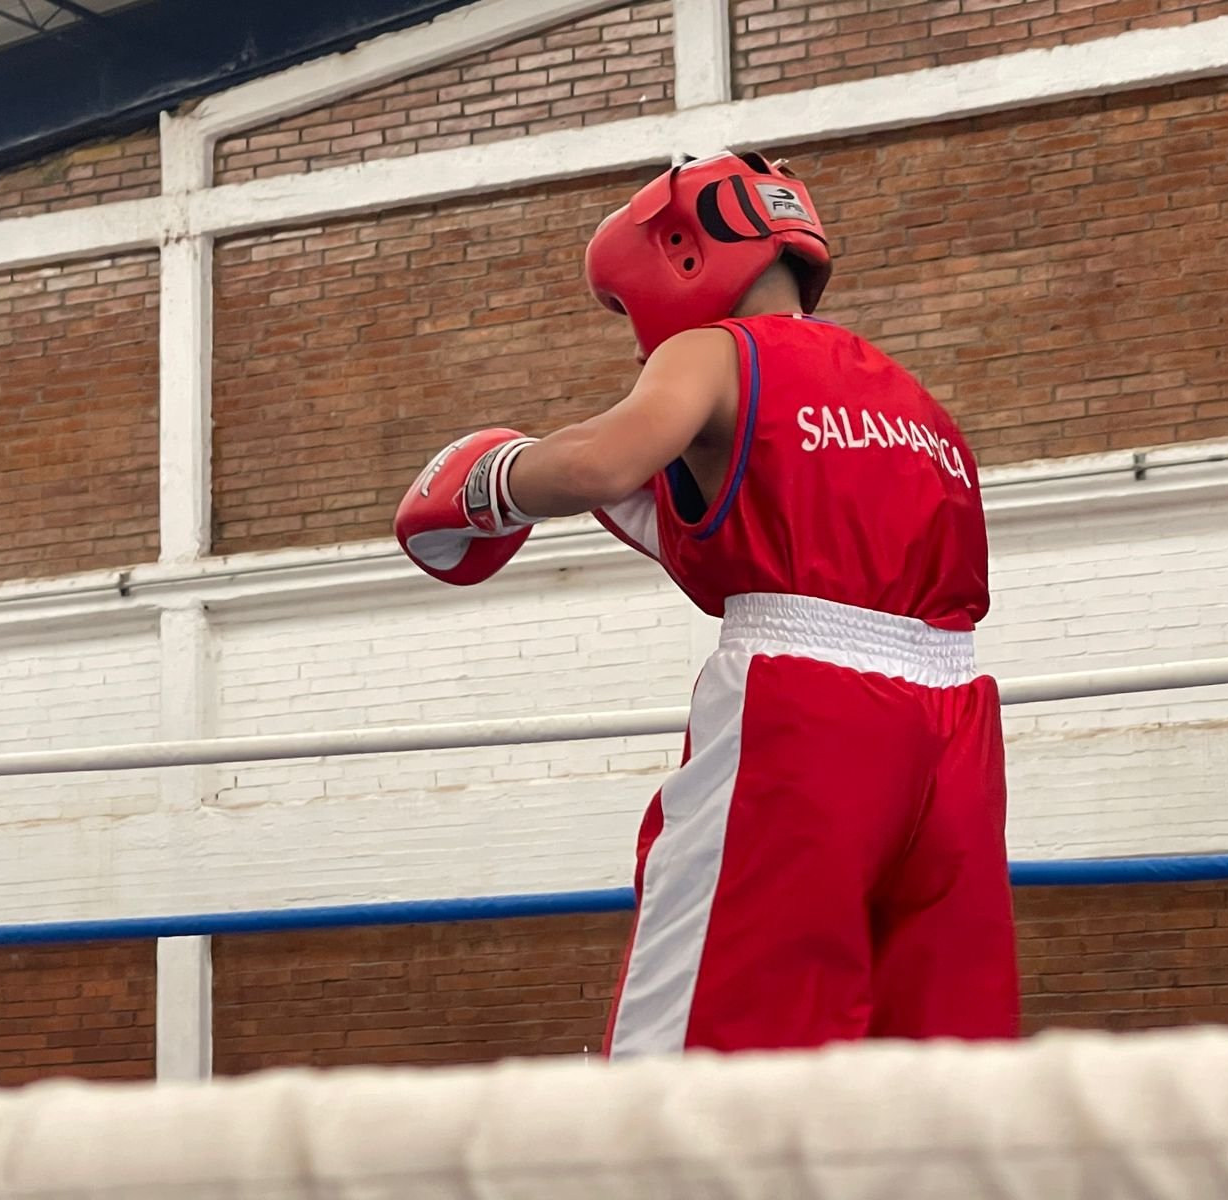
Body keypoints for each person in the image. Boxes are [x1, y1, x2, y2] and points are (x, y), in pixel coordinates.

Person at [394, 151, 1017, 1057]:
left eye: (625, 310)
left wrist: (492, 480)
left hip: (804, 712)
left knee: (709, 1040)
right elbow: (822, 551)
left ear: (682, 253)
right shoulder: (910, 398)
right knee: (930, 1059)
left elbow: (599, 462)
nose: (635, 343)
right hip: (956, 729)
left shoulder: (716, 348)